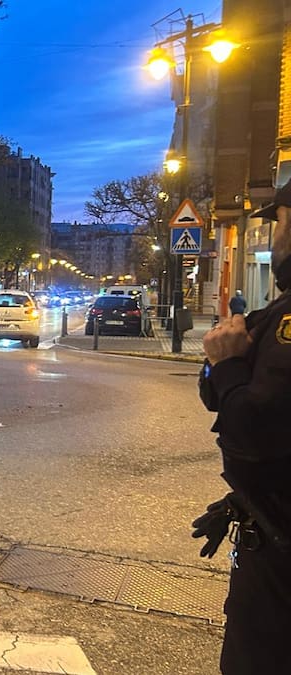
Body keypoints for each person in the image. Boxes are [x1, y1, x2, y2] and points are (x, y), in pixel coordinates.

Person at [195, 182, 291, 674]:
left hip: (279, 565)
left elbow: (252, 436)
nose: (276, 233)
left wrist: (229, 366)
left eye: (280, 221)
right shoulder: (276, 311)